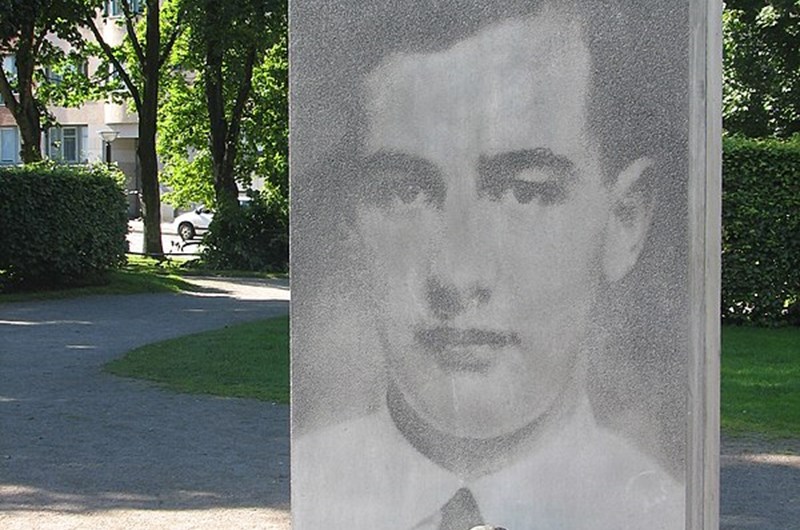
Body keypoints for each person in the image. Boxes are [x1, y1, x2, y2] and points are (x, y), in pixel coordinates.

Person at [292, 1, 688, 528]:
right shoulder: (315, 490)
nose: (458, 277)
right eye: (403, 191)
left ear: (625, 221)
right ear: (352, 222)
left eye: (526, 193)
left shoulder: (661, 515)